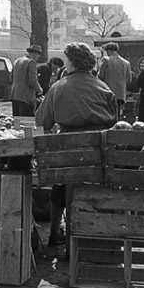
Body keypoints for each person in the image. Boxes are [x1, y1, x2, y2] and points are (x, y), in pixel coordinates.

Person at [36, 42, 118, 246]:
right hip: (99, 158)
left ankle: (55, 232)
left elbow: (41, 120)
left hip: (69, 156)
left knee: (61, 185)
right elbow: (115, 121)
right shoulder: (104, 88)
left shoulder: (59, 87)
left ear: (71, 63)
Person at [97, 41, 132, 116]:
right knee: (117, 115)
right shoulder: (126, 63)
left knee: (107, 115)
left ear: (109, 51)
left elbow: (100, 76)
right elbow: (129, 79)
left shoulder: (106, 60)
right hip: (121, 94)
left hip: (108, 93)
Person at [9, 44, 44, 117]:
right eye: (38, 54)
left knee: (17, 121)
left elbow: (11, 78)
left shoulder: (17, 61)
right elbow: (32, 81)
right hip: (26, 97)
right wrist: (39, 90)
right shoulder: (31, 62)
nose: (39, 57)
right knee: (27, 122)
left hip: (15, 95)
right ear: (34, 53)